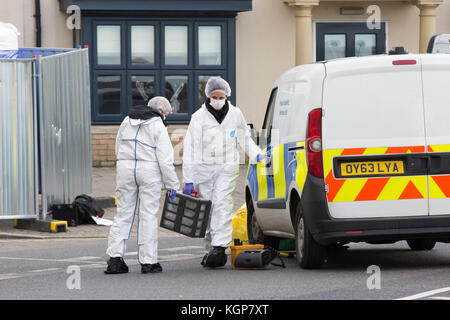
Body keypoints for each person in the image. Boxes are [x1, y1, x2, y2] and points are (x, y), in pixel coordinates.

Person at [182, 77, 268, 268]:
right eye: (214, 96)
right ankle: (210, 249)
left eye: (221, 96)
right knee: (208, 208)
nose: (218, 100)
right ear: (208, 96)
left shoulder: (236, 114)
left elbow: (244, 137)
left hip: (227, 166)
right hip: (204, 168)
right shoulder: (198, 117)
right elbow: (190, 149)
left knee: (222, 203)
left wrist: (256, 154)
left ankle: (220, 248)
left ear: (227, 96)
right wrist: (188, 179)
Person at [105, 97, 180, 274]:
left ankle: (115, 260)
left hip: (125, 168)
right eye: (166, 114)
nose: (165, 117)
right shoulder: (157, 125)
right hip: (149, 170)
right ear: (161, 111)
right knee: (147, 216)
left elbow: (118, 146)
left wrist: (125, 162)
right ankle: (148, 262)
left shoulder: (126, 120)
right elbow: (165, 159)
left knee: (123, 214)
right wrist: (172, 185)